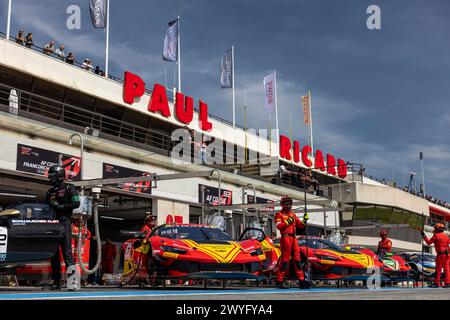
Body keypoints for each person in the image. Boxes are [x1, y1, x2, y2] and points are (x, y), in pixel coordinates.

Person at [46, 165, 80, 290]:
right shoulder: (50, 192)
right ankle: (56, 282)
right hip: (53, 223)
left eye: (52, 174)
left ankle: (73, 283)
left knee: (67, 254)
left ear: (59, 175)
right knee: (54, 254)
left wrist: (61, 206)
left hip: (65, 222)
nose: (50, 176)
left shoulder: (69, 187)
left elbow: (76, 203)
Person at [274, 195, 309, 289]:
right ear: (282, 204)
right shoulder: (279, 214)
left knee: (297, 260)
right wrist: (287, 222)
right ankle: (279, 281)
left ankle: (302, 281)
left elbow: (300, 225)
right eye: (286, 202)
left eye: (289, 202)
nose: (288, 204)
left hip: (294, 239)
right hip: (285, 238)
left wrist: (305, 220)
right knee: (285, 260)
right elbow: (279, 226)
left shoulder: (293, 214)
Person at [421, 223, 450, 288]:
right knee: (447, 269)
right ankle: (448, 283)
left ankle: (436, 283)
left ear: (437, 229)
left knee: (438, 269)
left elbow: (428, 242)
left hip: (440, 255)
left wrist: (424, 236)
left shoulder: (436, 236)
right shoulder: (446, 237)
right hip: (447, 255)